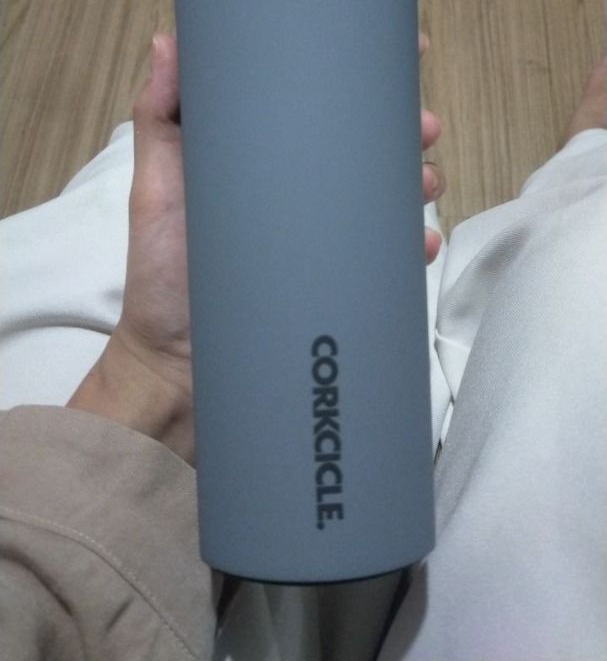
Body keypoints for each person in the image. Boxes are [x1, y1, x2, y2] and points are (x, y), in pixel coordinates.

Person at [0, 33, 605, 660]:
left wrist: (157, 371)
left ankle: (583, 171)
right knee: (586, 269)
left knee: (141, 190)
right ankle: (586, 168)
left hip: (49, 551)